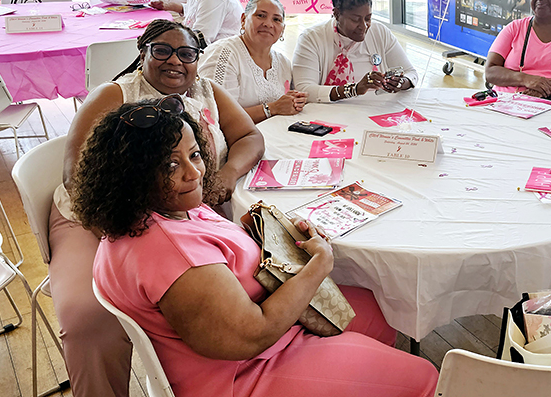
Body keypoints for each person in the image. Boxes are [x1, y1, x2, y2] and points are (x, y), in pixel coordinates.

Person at [70, 100, 438, 397]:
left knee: (378, 311)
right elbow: (252, 334)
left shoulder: (155, 212)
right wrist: (319, 265)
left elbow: (216, 252)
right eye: (169, 164)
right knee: (422, 376)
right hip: (245, 372)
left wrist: (272, 234)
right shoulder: (171, 253)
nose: (193, 173)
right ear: (132, 175)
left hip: (255, 336)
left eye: (194, 155)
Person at [48, 19, 264, 397]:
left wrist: (227, 174)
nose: (175, 61)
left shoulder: (207, 90)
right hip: (95, 218)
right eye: (162, 50)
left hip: (182, 216)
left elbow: (249, 136)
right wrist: (141, 237)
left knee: (223, 295)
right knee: (91, 319)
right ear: (142, 53)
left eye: (187, 53)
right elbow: (76, 177)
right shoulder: (115, 95)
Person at [292, 0, 418, 102]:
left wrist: (400, 83)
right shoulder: (312, 38)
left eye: (368, 18)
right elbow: (304, 90)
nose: (363, 26)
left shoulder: (379, 32)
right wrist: (355, 89)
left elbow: (411, 73)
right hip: (330, 112)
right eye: (355, 19)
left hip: (378, 109)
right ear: (337, 14)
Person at [199, 0, 307, 123]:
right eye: (260, 15)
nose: (268, 24)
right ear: (243, 20)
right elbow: (216, 116)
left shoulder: (283, 63)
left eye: (276, 19)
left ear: (282, 29)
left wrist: (295, 101)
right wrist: (271, 109)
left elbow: (285, 104)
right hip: (234, 136)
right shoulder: (223, 55)